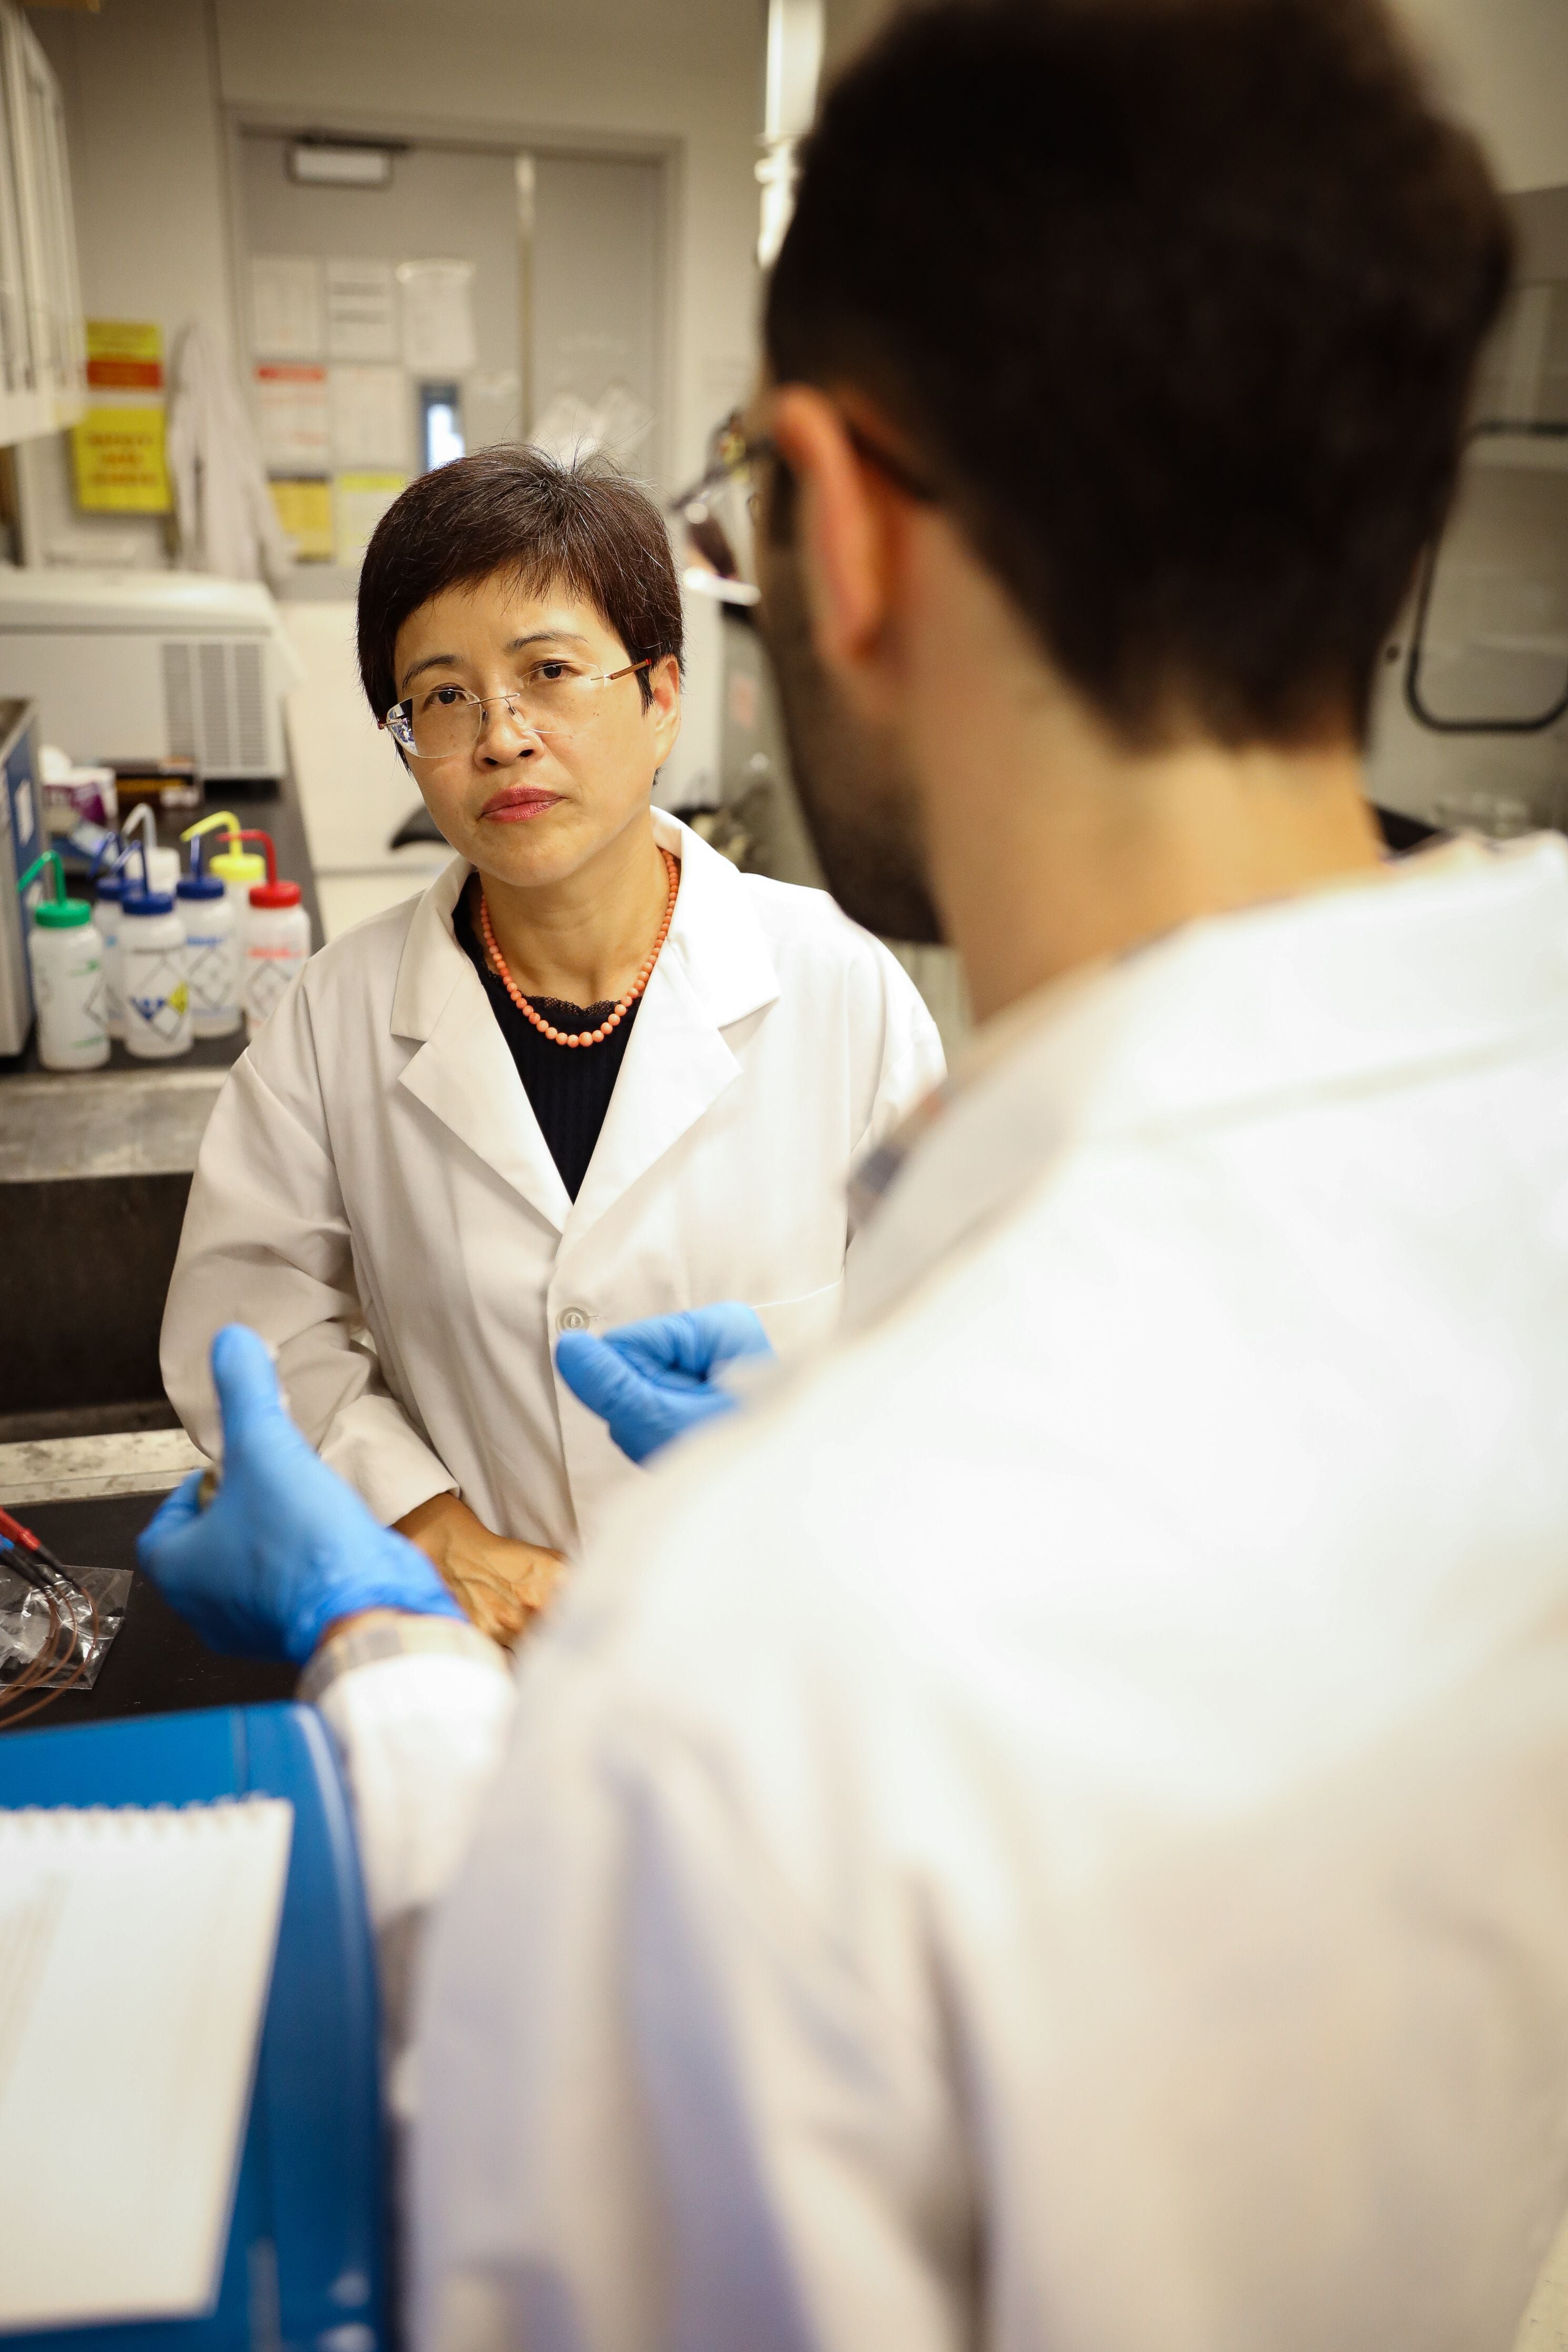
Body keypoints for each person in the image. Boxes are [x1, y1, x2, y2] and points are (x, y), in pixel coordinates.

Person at [140, 0, 1568, 2341]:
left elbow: (564, 2235)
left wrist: (381, 1644)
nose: (497, 732)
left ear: (840, 531)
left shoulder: (751, 1688)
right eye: (440, 692)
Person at [159, 449, 943, 1638]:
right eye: (443, 695)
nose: (502, 737)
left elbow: (957, 1343)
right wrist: (428, 1525)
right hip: (472, 1661)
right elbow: (248, 1319)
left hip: (785, 1652)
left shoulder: (842, 987)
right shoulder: (336, 1016)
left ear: (662, 695)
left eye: (551, 672)